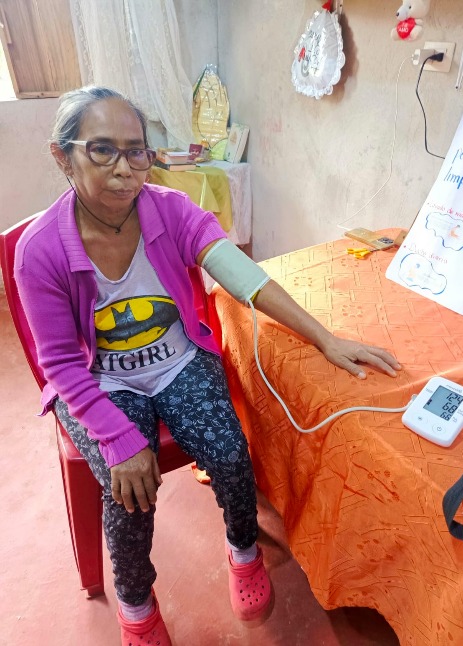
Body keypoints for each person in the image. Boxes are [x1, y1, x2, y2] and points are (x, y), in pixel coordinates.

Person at [15, 86, 401, 646]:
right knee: (128, 491)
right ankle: (136, 604)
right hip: (99, 381)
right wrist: (119, 440)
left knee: (229, 451)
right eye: (102, 150)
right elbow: (59, 363)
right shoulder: (41, 249)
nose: (124, 169)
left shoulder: (170, 210)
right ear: (63, 156)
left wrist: (325, 338)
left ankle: (244, 551)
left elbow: (243, 278)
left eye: (136, 151)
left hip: (178, 363)